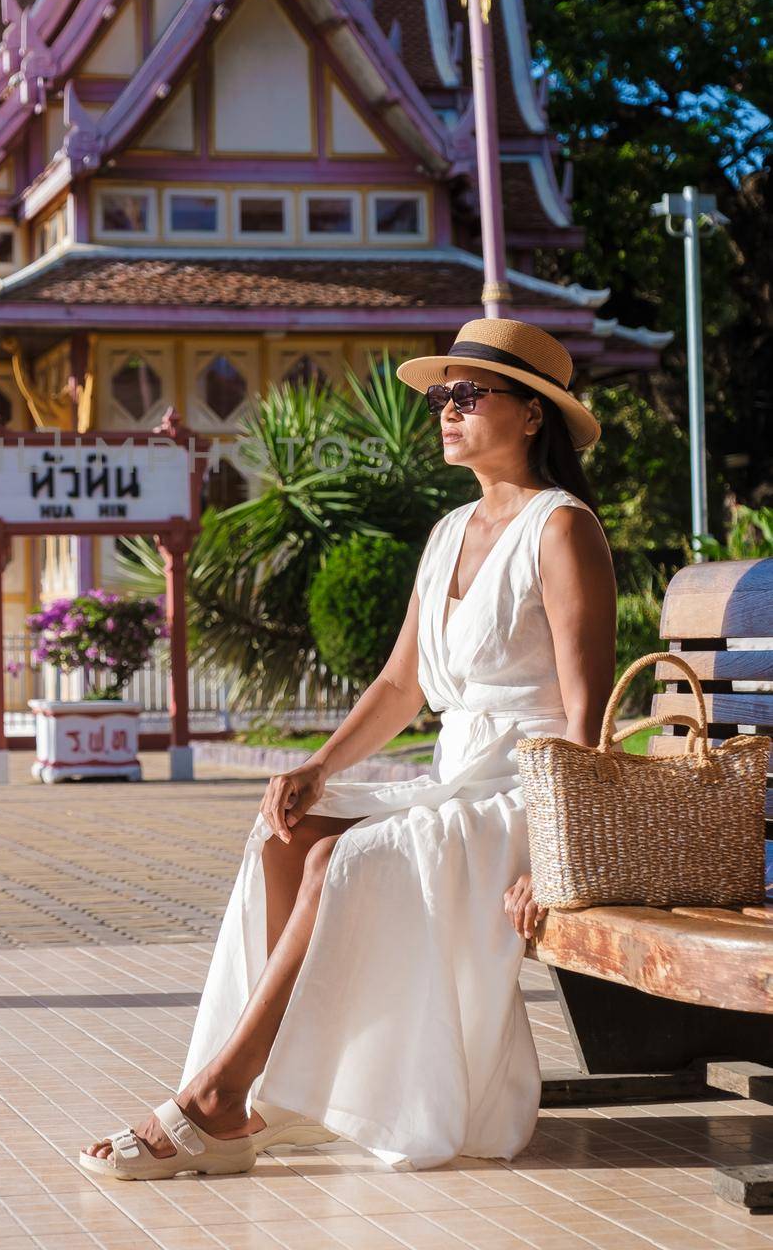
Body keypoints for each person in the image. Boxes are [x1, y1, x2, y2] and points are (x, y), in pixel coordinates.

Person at [79, 317, 617, 1180]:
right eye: (443, 394)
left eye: (469, 394)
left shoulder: (562, 528)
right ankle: (277, 1095)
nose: (446, 408)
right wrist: (316, 766)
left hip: (529, 796)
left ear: (531, 415)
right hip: (457, 781)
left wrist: (559, 857)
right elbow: (401, 685)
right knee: (291, 833)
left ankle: (218, 1097)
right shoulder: (449, 533)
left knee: (342, 859)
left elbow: (588, 707)